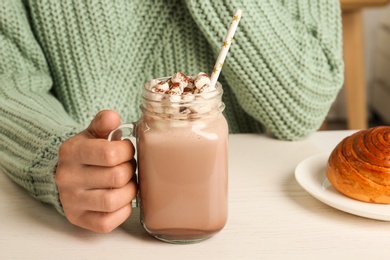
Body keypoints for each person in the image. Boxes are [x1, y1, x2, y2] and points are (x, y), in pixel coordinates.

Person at [0, 0, 344, 233]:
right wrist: (52, 154)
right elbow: (9, 83)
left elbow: (304, 106)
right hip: (74, 230)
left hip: (256, 212)